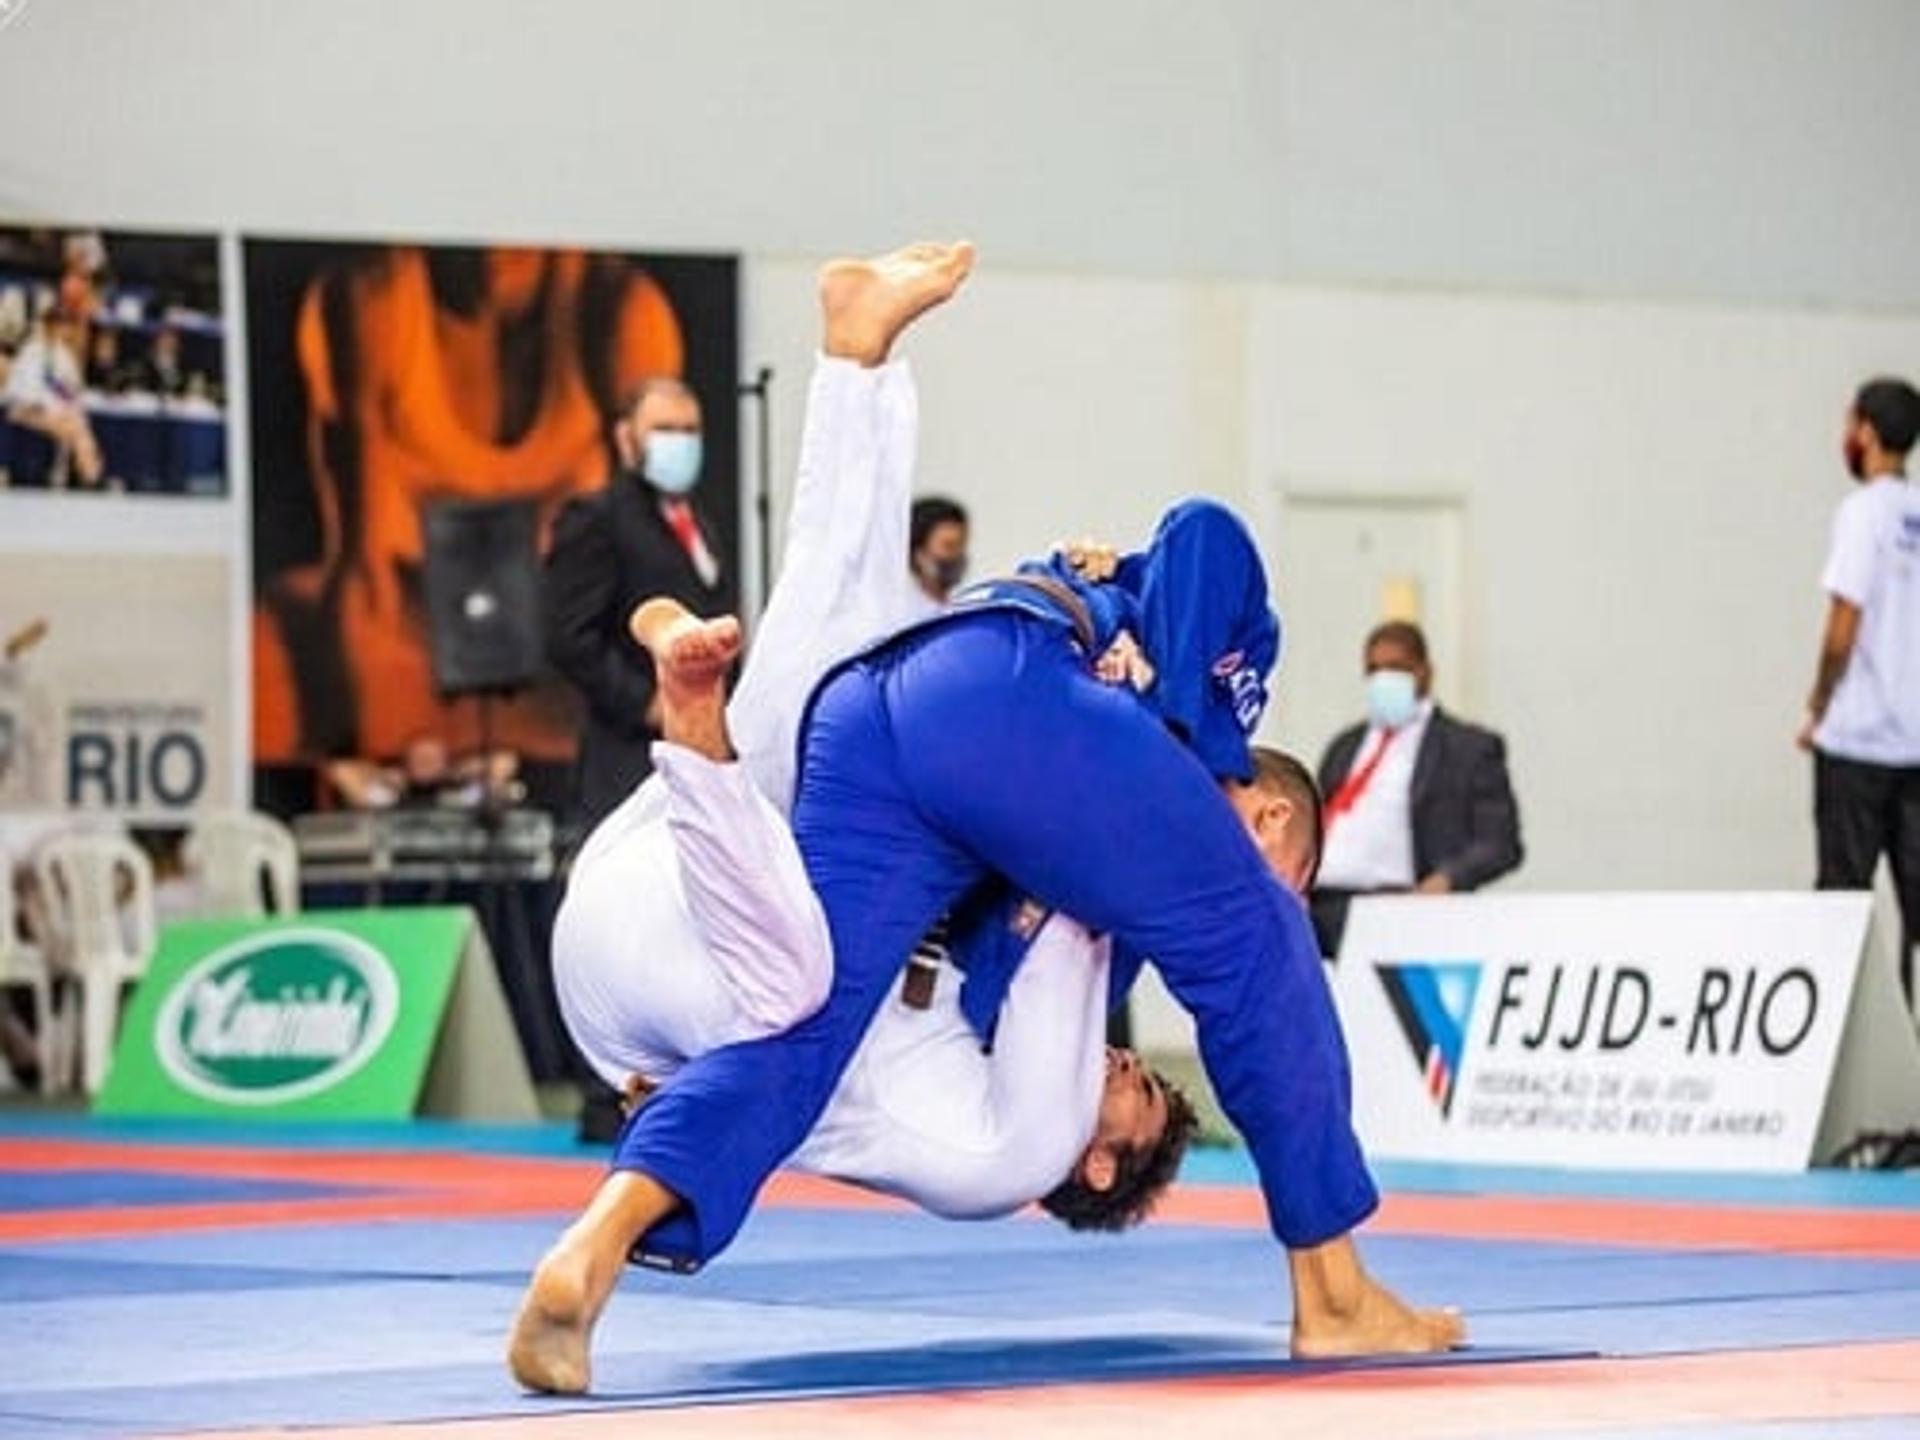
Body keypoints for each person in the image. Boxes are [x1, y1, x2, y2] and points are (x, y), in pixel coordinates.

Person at [509, 243, 1460, 1396]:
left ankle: (591, 1252)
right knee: (1257, 941)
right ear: (1262, 801)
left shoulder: (1093, 891)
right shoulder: (1231, 679)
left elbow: (1016, 981)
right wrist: (1182, 729)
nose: (1260, 859)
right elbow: (1206, 528)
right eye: (1278, 844)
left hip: (880, 736)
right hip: (998, 690)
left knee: (799, 1023)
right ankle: (1338, 1295)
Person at [544, 376, 727, 830]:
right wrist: (645, 702)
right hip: (627, 758)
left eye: (690, 431)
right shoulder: (597, 519)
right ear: (627, 438)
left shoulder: (699, 523)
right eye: (665, 430)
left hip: (697, 755)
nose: (679, 443)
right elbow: (568, 637)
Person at [1799, 377, 1920, 1000]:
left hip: (1859, 742)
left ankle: (1852, 1037)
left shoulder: (1862, 513)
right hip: (1915, 746)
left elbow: (1844, 625)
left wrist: (1819, 703)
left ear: (1866, 431)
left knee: (1841, 908)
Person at [1309, 620, 1522, 958]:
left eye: (1396, 668)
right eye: (1374, 670)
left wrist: (1446, 880)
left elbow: (1500, 843)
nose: (1383, 680)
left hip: (1396, 908)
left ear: (1424, 672)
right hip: (1316, 903)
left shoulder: (1466, 748)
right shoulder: (1346, 747)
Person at [2, 307, 104, 488]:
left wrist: (69, 403)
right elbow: (19, 388)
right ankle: (89, 474)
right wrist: (43, 404)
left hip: (53, 410)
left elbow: (70, 388)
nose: (58, 330)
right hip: (25, 409)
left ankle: (89, 475)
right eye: (54, 325)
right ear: (45, 326)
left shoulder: (63, 354)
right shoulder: (31, 351)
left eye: (61, 326)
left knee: (78, 427)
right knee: (76, 429)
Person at [908, 495, 970, 616]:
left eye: (962, 544)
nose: (958, 554)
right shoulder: (900, 612)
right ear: (919, 554)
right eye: (949, 546)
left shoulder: (965, 605)